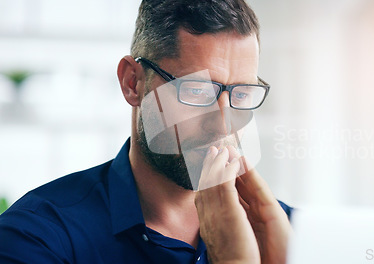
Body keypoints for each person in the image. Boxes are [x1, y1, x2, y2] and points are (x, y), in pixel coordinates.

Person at [0, 0, 292, 263]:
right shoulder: (36, 235)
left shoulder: (288, 233)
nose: (225, 124)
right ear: (132, 83)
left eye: (241, 94)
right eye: (196, 89)